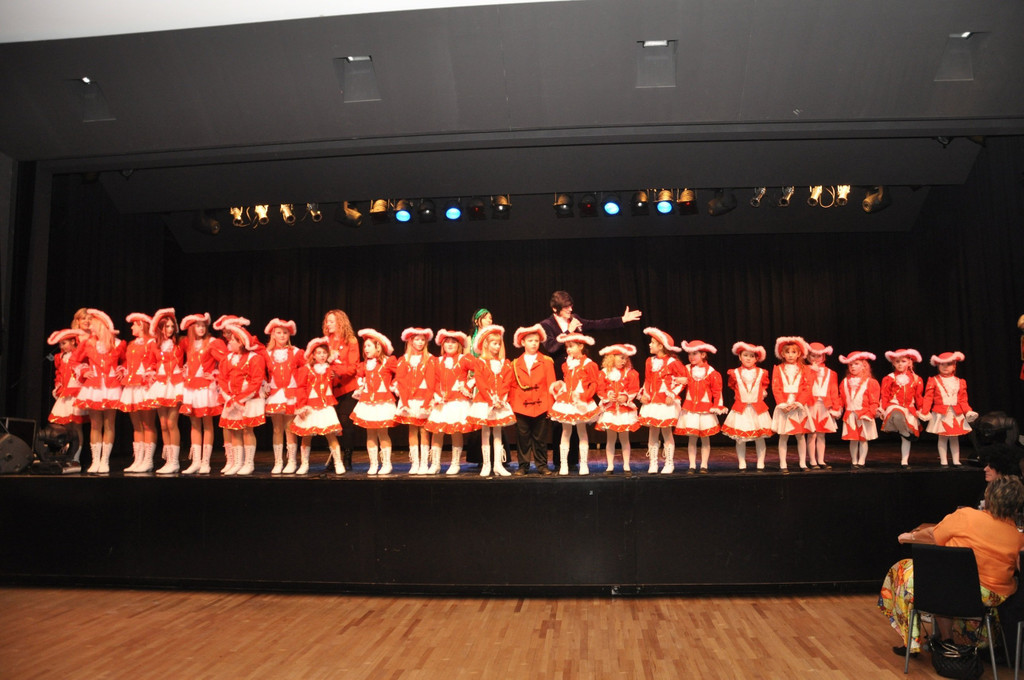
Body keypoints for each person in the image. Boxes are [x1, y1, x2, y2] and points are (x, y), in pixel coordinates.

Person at [880, 475, 1024, 655]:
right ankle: (966, 642)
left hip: (948, 590)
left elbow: (934, 534)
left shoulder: (966, 516)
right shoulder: (1018, 537)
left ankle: (920, 642)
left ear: (988, 497)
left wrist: (911, 536)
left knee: (904, 569)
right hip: (987, 598)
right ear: (1017, 505)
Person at [540, 290, 643, 470]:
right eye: (566, 307)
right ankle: (559, 463)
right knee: (561, 423)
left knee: (578, 421)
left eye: (571, 306)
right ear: (555, 309)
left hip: (580, 375)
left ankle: (574, 461)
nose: (570, 310)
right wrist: (568, 332)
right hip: (561, 373)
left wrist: (622, 319)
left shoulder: (575, 319)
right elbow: (551, 347)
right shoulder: (546, 325)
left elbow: (597, 324)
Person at [70, 308, 125, 474]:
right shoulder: (87, 343)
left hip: (111, 387)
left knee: (109, 424)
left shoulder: (118, 343)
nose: (90, 326)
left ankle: (105, 460)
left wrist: (122, 370)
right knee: (95, 425)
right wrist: (83, 370)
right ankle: (95, 461)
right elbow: (73, 360)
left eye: (93, 323)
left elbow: (126, 361)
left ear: (101, 324)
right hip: (93, 387)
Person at [178, 313, 226, 475]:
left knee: (207, 424)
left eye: (203, 325)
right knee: (194, 424)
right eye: (197, 326)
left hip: (205, 387)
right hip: (191, 387)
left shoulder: (212, 342)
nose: (201, 328)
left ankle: (206, 462)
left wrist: (215, 374)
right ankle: (196, 462)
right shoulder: (187, 343)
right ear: (192, 328)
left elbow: (226, 360)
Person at [289, 337, 345, 475]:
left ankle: (338, 462)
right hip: (310, 407)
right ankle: (304, 464)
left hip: (326, 406)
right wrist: (301, 405)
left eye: (324, 353)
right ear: (313, 355)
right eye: (318, 353)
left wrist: (335, 360)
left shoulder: (330, 369)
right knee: (306, 435)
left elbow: (341, 372)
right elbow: (301, 388)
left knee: (330, 434)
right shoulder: (306, 370)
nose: (322, 355)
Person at [216, 323, 266, 476]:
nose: (229, 342)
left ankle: (248, 463)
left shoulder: (254, 358)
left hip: (249, 399)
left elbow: (256, 382)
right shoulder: (228, 358)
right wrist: (229, 397)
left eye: (233, 340)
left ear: (241, 342)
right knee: (234, 430)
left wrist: (240, 399)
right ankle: (237, 462)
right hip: (232, 399)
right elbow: (222, 379)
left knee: (247, 430)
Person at [425, 329, 477, 475]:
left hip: (458, 401)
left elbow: (480, 370)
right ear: (442, 345)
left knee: (456, 431)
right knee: (437, 432)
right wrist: (436, 395)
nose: (450, 344)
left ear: (459, 345)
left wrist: (468, 385)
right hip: (441, 401)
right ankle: (435, 464)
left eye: (453, 342)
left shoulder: (464, 359)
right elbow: (433, 381)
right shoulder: (436, 361)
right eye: (447, 342)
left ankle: (455, 464)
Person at [548, 332, 601, 475]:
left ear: (581, 346)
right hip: (567, 401)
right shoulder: (567, 364)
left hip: (581, 401)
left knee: (582, 431)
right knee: (565, 431)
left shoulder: (589, 364)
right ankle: (564, 464)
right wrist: (560, 386)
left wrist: (584, 397)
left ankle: (583, 464)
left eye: (571, 346)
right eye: (567, 347)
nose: (568, 350)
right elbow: (568, 382)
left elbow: (594, 384)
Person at [467, 324, 516, 477]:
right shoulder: (480, 362)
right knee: (485, 433)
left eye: (499, 344)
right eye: (494, 343)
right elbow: (481, 383)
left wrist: (500, 398)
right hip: (484, 401)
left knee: (498, 432)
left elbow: (507, 381)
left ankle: (498, 465)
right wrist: (490, 399)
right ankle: (486, 464)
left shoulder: (504, 363)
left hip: (499, 401)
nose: (497, 347)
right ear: (486, 345)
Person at [509, 324, 556, 475]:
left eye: (536, 341)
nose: (534, 343)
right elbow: (512, 387)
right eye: (530, 341)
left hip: (541, 405)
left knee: (540, 438)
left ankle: (542, 465)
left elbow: (551, 386)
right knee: (522, 439)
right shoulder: (515, 363)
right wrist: (513, 407)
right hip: (521, 406)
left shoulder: (546, 361)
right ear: (523, 342)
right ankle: (523, 466)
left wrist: (550, 408)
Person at [637, 327, 685, 474]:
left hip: (666, 402)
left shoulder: (673, 362)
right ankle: (653, 463)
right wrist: (644, 395)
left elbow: (683, 380)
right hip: (653, 401)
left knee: (666, 431)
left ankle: (669, 463)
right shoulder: (649, 361)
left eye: (652, 342)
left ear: (661, 346)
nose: (650, 345)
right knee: (652, 431)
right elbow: (647, 380)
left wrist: (672, 395)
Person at [674, 340, 726, 474]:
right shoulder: (686, 369)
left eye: (695, 354)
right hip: (690, 408)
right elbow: (679, 384)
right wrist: (674, 390)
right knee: (692, 438)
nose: (691, 357)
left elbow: (717, 391)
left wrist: (718, 405)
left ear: (703, 355)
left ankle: (704, 465)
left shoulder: (711, 372)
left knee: (705, 438)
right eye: (689, 354)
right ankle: (692, 465)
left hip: (705, 409)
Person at [351, 328, 397, 476]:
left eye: (369, 346)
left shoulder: (388, 362)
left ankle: (387, 463)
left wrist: (394, 384)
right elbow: (359, 377)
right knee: (370, 433)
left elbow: (400, 374)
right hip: (367, 402)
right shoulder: (364, 365)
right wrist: (360, 386)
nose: (366, 349)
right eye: (365, 346)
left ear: (378, 347)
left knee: (383, 432)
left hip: (383, 402)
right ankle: (373, 464)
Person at [920, 351, 978, 467]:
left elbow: (963, 400)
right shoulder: (933, 380)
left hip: (955, 413)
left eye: (949, 364)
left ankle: (956, 461)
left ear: (954, 366)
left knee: (954, 438)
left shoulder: (960, 382)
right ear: (938, 365)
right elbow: (928, 397)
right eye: (942, 364)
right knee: (942, 437)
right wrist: (925, 411)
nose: (945, 367)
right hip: (941, 413)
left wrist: (967, 411)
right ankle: (943, 461)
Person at [262, 318, 304, 474]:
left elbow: (305, 369)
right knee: (277, 429)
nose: (282, 335)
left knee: (290, 428)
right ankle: (278, 462)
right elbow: (261, 371)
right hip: (275, 394)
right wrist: (265, 384)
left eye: (285, 333)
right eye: (278, 332)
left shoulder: (296, 352)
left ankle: (292, 461)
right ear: (273, 334)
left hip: (290, 394)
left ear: (289, 335)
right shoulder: (266, 353)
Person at [721, 342, 772, 471]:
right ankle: (742, 462)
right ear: (740, 357)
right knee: (740, 438)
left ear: (756, 359)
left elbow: (765, 384)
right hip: (741, 408)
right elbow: (732, 385)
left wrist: (761, 393)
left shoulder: (762, 373)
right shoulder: (734, 373)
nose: (748, 358)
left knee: (760, 437)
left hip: (758, 409)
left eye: (752, 356)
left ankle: (761, 462)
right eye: (745, 355)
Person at [394, 327, 437, 475]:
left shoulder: (430, 359)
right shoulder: (403, 359)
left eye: (422, 340)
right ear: (410, 341)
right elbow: (401, 381)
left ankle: (424, 463)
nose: (419, 342)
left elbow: (431, 382)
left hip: (424, 398)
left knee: (424, 430)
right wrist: (405, 402)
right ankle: (415, 463)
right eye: (416, 339)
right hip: (409, 399)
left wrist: (427, 402)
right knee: (412, 430)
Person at [119, 311, 158, 473]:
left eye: (134, 324)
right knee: (136, 425)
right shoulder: (132, 344)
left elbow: (156, 361)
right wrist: (123, 369)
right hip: (132, 384)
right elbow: (127, 362)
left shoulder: (151, 342)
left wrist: (150, 374)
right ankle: (138, 459)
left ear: (142, 326)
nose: (132, 328)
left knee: (148, 424)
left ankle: (148, 460)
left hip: (144, 385)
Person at [323, 310, 360, 471]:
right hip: (330, 388)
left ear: (340, 322)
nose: (328, 324)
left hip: (347, 387)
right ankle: (335, 457)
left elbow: (353, 367)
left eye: (331, 321)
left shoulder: (351, 340)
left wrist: (336, 371)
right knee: (333, 423)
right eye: (327, 321)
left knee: (345, 421)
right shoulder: (325, 341)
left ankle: (347, 457)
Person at [150, 308, 186, 475]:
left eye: (172, 326)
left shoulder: (180, 343)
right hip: (161, 384)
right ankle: (168, 460)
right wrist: (150, 373)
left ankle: (175, 461)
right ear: (160, 328)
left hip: (175, 384)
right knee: (163, 424)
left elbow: (194, 354)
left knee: (172, 423)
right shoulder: (155, 344)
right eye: (167, 326)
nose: (170, 329)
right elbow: (151, 363)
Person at [595, 344, 640, 475]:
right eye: (621, 358)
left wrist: (625, 397)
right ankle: (610, 466)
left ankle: (626, 466)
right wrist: (607, 396)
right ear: (612, 358)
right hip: (610, 409)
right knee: (610, 438)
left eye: (626, 358)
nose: (624, 361)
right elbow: (600, 389)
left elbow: (634, 389)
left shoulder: (630, 373)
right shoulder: (604, 373)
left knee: (625, 438)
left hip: (624, 410)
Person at [771, 336, 813, 474]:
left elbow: (807, 387)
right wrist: (783, 404)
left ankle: (802, 463)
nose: (790, 355)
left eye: (793, 352)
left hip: (798, 406)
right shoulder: (778, 369)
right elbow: (776, 387)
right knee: (783, 435)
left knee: (800, 435)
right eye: (787, 352)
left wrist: (799, 403)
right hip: (784, 405)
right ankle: (783, 463)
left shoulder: (805, 369)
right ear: (782, 354)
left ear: (799, 354)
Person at [46, 328, 89, 462]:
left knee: (77, 426)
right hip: (65, 392)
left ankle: (76, 456)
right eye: (60, 344)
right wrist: (58, 385)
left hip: (76, 391)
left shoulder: (79, 354)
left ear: (73, 341)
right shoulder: (60, 357)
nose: (61, 347)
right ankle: (68, 453)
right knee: (66, 426)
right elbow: (59, 373)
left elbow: (84, 370)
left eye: (64, 343)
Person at [879, 348, 925, 468]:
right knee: (897, 412)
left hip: (909, 408)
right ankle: (904, 432)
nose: (900, 364)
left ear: (909, 362)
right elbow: (885, 395)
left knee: (905, 438)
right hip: (893, 405)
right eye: (897, 361)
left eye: (903, 361)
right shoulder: (889, 378)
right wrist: (882, 409)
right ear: (893, 363)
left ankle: (904, 461)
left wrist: (922, 410)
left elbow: (918, 396)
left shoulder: (916, 379)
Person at [838, 351, 880, 469]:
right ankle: (854, 461)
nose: (853, 367)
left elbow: (874, 401)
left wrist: (870, 414)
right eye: (850, 364)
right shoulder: (845, 382)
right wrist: (837, 409)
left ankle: (861, 461)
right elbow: (841, 398)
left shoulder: (871, 382)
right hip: (850, 414)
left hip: (864, 414)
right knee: (853, 439)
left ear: (864, 366)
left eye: (856, 364)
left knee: (863, 439)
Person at [805, 342, 841, 470]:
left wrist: (836, 408)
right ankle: (812, 461)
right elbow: (804, 386)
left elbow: (834, 390)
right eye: (813, 356)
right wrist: (811, 371)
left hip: (825, 405)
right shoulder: (805, 370)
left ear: (824, 357)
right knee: (812, 433)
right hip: (810, 404)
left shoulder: (831, 373)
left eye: (818, 356)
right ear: (808, 356)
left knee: (821, 434)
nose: (816, 359)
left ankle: (821, 460)